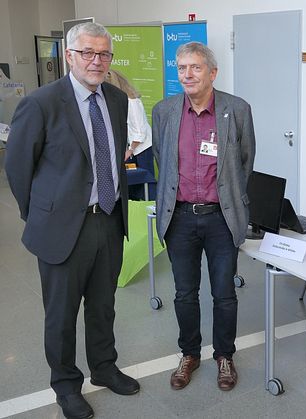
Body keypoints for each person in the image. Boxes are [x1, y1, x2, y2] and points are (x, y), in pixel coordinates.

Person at [5, 22, 139, 419]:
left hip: (109, 220)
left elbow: (115, 158)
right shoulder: (42, 103)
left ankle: (103, 367)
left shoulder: (115, 99)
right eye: (88, 53)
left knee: (103, 305)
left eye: (104, 54)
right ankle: (66, 385)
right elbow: (17, 168)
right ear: (69, 55)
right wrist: (42, 216)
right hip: (63, 228)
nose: (97, 61)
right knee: (61, 314)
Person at [151, 41, 255, 392]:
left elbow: (245, 162)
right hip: (179, 218)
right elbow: (162, 163)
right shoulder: (164, 111)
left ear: (213, 72)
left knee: (224, 294)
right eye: (181, 68)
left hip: (221, 218)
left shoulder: (236, 109)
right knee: (184, 293)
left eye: (195, 67)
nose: (187, 74)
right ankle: (190, 353)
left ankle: (224, 355)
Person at [105, 69, 154, 200]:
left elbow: (140, 131)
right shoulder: (116, 102)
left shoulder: (132, 102)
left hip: (141, 148)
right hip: (130, 147)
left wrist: (130, 150)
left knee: (144, 183)